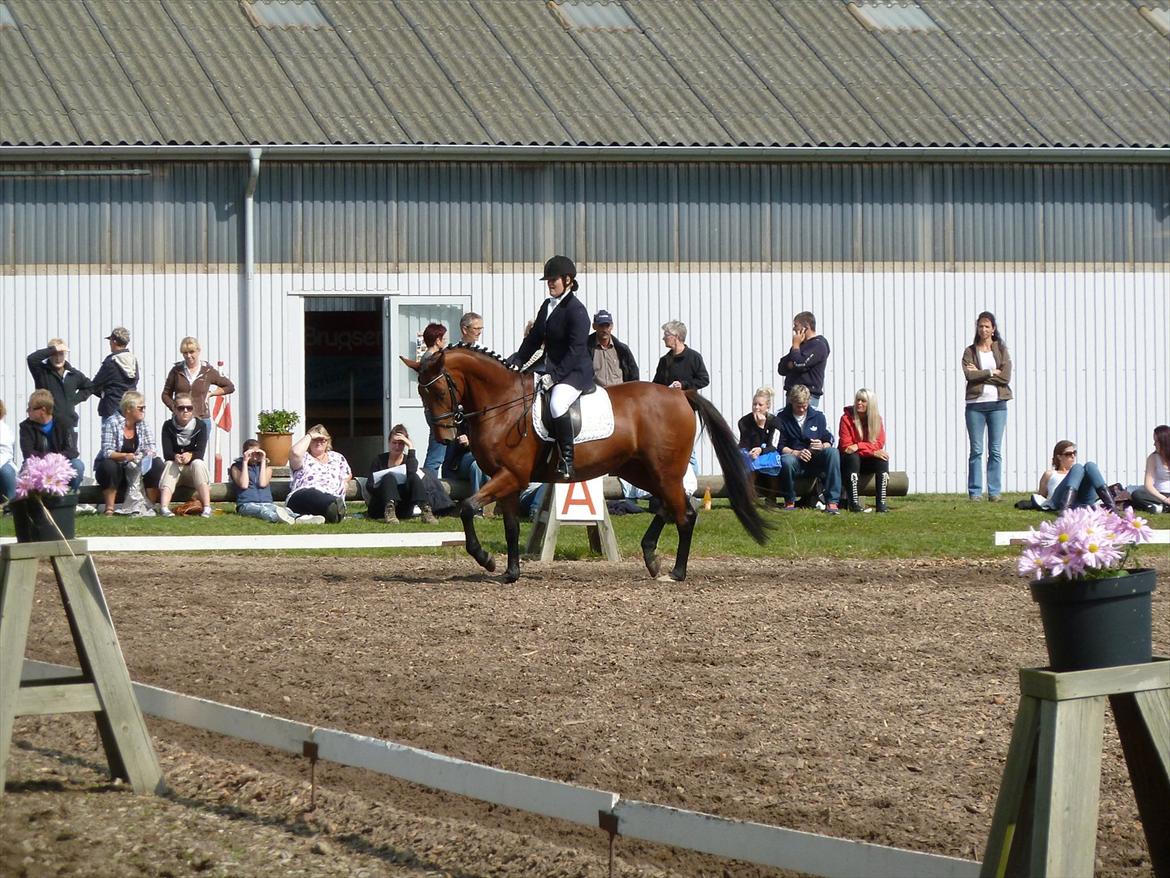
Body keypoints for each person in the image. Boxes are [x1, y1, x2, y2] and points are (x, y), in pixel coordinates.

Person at [508, 255, 593, 480]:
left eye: (553, 279)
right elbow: (534, 339)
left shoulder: (577, 310)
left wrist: (554, 377)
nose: (550, 284)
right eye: (548, 280)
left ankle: (567, 460)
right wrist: (517, 360)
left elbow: (575, 352)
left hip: (574, 372)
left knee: (557, 404)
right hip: (551, 368)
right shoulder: (547, 305)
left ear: (568, 280)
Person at [963, 311, 1012, 502]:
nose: (983, 329)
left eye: (987, 326)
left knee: (995, 450)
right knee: (976, 450)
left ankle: (994, 491)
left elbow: (1006, 377)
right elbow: (970, 376)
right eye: (980, 326)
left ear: (993, 329)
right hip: (975, 405)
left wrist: (982, 373)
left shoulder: (1001, 349)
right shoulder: (970, 351)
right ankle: (975, 492)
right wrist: (992, 371)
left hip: (998, 405)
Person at [365, 425, 454, 524]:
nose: (397, 446)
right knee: (389, 477)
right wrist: (385, 486)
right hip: (381, 506)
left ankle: (426, 510)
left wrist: (411, 447)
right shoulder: (379, 460)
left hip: (403, 508)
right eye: (394, 443)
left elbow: (412, 472)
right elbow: (369, 485)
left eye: (401, 443)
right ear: (389, 443)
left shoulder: (408, 460)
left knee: (414, 477)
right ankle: (390, 511)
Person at [94, 391, 165, 516]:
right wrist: (126, 456)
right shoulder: (112, 422)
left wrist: (147, 454)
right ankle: (109, 508)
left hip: (137, 468)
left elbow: (152, 447)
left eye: (144, 408)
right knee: (109, 465)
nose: (143, 411)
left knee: (157, 463)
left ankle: (150, 505)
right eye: (140, 408)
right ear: (128, 410)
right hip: (117, 470)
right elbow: (107, 451)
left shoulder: (142, 423)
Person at [777, 384, 842, 514]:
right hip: (795, 460)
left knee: (833, 452)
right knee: (786, 461)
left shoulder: (819, 416)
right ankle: (789, 500)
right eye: (798, 406)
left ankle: (832, 502)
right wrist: (796, 452)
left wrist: (822, 445)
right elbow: (779, 445)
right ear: (791, 402)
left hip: (815, 459)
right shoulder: (781, 417)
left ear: (809, 401)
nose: (801, 409)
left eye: (804, 406)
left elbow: (829, 438)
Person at [160, 337, 235, 443]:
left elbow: (229, 387)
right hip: (180, 421)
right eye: (185, 353)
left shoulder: (208, 371)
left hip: (202, 419)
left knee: (197, 456)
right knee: (180, 454)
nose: (189, 356)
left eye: (191, 352)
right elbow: (165, 395)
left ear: (198, 351)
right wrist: (175, 408)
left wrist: (211, 394)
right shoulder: (176, 371)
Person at [230, 439, 321, 524]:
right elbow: (244, 484)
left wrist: (263, 461)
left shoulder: (267, 469)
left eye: (257, 453)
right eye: (251, 454)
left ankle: (302, 518)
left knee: (286, 510)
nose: (254, 457)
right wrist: (245, 462)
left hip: (267, 502)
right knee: (263, 511)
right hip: (246, 504)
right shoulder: (236, 468)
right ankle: (278, 518)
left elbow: (262, 483)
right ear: (244, 453)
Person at [157, 393, 213, 518]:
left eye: (189, 408)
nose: (185, 411)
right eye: (181, 408)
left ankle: (207, 507)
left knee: (198, 463)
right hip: (175, 471)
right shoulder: (167, 426)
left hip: (193, 473)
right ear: (175, 409)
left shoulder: (201, 425)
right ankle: (164, 507)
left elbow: (200, 452)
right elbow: (167, 453)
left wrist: (191, 455)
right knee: (169, 463)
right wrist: (175, 456)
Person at [18, 390, 84, 491]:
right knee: (26, 469)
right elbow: (28, 454)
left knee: (77, 465)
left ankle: (69, 499)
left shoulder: (65, 423)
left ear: (42, 410)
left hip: (61, 465)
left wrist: (56, 460)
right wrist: (48, 460)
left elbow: (72, 451)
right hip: (37, 466)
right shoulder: (26, 427)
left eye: (30, 408)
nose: (28, 411)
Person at [838, 388, 891, 513]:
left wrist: (859, 446)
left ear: (870, 404)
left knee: (882, 459)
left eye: (863, 401)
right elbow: (847, 447)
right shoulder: (846, 419)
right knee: (853, 457)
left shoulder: (877, 419)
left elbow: (879, 443)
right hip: (849, 462)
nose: (859, 403)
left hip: (867, 459)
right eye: (858, 400)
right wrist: (869, 450)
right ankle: (854, 503)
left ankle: (881, 504)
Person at [287, 424, 351, 523]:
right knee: (314, 495)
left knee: (330, 501)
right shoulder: (304, 457)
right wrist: (310, 435)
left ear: (327, 441)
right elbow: (295, 452)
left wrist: (345, 483)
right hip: (303, 494)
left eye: (322, 439)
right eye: (315, 439)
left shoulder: (337, 457)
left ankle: (313, 517)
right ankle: (331, 510)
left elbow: (347, 475)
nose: (319, 442)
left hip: (331, 495)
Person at [26, 338, 92, 432]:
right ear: (49, 355)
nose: (58, 358)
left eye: (61, 354)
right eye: (54, 354)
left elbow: (89, 386)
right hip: (45, 425)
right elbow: (31, 359)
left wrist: (72, 401)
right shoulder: (41, 371)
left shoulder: (73, 374)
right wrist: (54, 349)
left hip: (67, 425)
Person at [1034, 440, 1114, 512]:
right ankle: (1065, 510)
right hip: (1059, 501)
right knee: (1077, 467)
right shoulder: (1050, 474)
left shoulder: (1080, 472)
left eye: (1074, 453)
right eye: (1068, 454)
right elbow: (1041, 497)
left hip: (1083, 502)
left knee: (1090, 465)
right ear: (1059, 457)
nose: (1073, 456)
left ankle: (1112, 509)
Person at [777, 311, 830, 410]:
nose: (794, 329)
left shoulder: (818, 345)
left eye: (796, 325)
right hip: (792, 395)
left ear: (806, 327)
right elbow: (782, 368)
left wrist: (796, 347)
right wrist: (795, 352)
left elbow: (799, 364)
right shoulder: (800, 346)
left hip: (807, 397)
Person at [737, 386, 782, 502]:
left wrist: (761, 427)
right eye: (754, 404)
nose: (756, 407)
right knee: (748, 459)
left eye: (760, 405)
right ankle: (749, 496)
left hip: (767, 450)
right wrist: (758, 428)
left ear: (767, 407)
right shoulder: (744, 421)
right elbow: (745, 442)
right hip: (749, 449)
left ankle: (772, 496)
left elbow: (773, 445)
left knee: (773, 459)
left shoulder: (775, 422)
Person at [91, 326, 140, 426]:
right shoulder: (133, 360)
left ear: (114, 341)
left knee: (109, 440)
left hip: (111, 408)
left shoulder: (111, 362)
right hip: (130, 408)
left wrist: (104, 393)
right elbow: (136, 380)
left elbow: (95, 385)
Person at [419, 323, 449, 476]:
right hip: (436, 411)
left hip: (430, 410)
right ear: (437, 340)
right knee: (437, 452)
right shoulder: (432, 360)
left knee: (437, 448)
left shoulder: (426, 358)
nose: (444, 342)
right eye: (443, 338)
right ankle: (429, 483)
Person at [588, 309, 639, 386]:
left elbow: (634, 375)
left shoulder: (622, 349)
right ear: (594, 326)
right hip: (596, 395)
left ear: (611, 326)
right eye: (601, 326)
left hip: (620, 395)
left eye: (607, 326)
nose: (604, 329)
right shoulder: (585, 349)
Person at [1131, 425, 1170, 513]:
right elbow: (1148, 485)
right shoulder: (1153, 458)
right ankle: (1164, 507)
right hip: (1159, 494)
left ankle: (1160, 508)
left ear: (1164, 442)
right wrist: (1165, 499)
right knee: (1137, 494)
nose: (1154, 444)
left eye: (1156, 441)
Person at [0, 400, 15, 505]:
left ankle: (11, 504)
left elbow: (5, 453)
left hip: (2, 463)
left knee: (6, 471)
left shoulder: (3, 429)